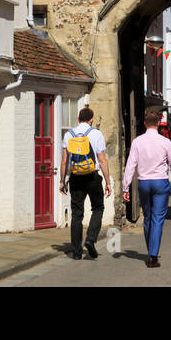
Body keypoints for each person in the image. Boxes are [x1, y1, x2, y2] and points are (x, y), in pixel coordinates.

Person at [122, 105, 171, 268]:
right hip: (160, 182)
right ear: (158, 123)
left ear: (144, 124)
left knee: (148, 217)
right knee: (158, 219)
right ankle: (153, 255)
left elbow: (130, 165)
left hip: (144, 183)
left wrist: (126, 187)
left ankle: (150, 249)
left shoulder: (137, 142)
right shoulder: (165, 142)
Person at [60, 106, 112, 260]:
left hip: (75, 177)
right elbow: (102, 159)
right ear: (91, 120)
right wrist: (108, 182)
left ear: (78, 119)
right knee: (98, 207)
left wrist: (62, 182)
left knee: (76, 213)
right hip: (92, 176)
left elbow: (64, 161)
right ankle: (90, 239)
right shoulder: (96, 134)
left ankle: (76, 252)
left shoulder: (68, 134)